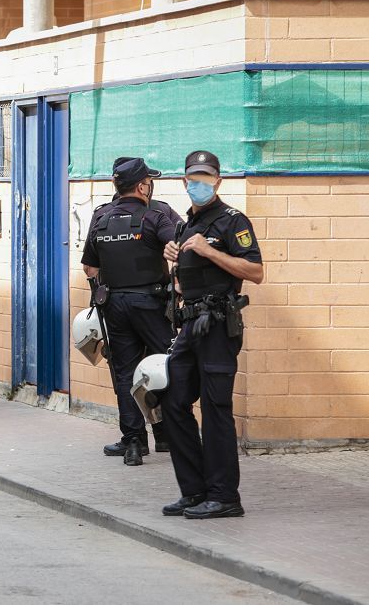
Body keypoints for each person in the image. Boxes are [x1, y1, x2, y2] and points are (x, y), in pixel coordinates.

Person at [161, 151, 263, 519]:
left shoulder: (232, 221)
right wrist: (173, 258)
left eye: (206, 177)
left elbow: (254, 272)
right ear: (184, 181)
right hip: (190, 326)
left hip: (218, 326)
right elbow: (183, 281)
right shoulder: (184, 224)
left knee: (216, 409)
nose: (199, 183)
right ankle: (194, 490)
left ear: (218, 181)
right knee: (172, 402)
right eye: (193, 177)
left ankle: (224, 496)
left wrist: (208, 250)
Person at [82, 157, 182, 466]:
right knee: (165, 366)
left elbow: (89, 267)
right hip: (152, 305)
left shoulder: (100, 218)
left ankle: (134, 443)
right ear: (142, 186)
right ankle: (168, 435)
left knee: (126, 373)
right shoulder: (157, 214)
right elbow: (181, 245)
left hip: (115, 306)